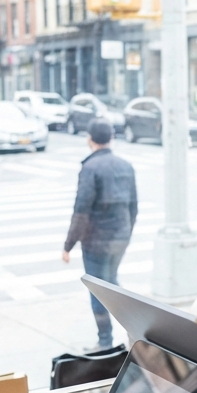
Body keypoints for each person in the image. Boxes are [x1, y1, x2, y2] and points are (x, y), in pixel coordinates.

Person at [62, 118, 138, 349]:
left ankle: (105, 342)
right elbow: (133, 207)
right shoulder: (126, 166)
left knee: (99, 289)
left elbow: (81, 211)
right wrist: (126, 233)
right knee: (111, 283)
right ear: (111, 138)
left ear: (89, 140)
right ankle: (136, 332)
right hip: (120, 238)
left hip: (96, 241)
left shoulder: (90, 168)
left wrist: (68, 245)